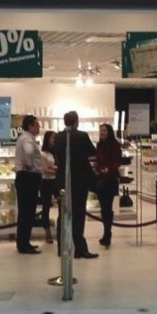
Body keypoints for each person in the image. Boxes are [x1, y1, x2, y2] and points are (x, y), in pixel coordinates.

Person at [54, 111, 98, 259]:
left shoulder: (58, 137)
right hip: (79, 181)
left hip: (62, 180)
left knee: (63, 215)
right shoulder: (82, 136)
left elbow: (57, 156)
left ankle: (62, 247)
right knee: (78, 215)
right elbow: (92, 152)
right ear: (76, 121)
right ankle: (80, 248)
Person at [14, 115, 42, 255]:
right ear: (30, 126)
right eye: (36, 125)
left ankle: (24, 242)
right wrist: (31, 163)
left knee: (26, 212)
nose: (39, 127)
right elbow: (29, 151)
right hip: (28, 177)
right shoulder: (27, 139)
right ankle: (23, 244)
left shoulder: (25, 138)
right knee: (27, 212)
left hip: (25, 177)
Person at [95, 123, 122, 249]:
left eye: (104, 130)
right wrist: (99, 169)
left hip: (111, 180)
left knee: (108, 208)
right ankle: (106, 232)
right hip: (101, 179)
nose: (102, 133)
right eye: (101, 131)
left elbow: (117, 161)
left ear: (109, 132)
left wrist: (109, 169)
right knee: (103, 208)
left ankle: (107, 233)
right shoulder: (99, 145)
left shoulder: (115, 145)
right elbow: (97, 161)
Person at [39, 131, 58, 244]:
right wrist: (57, 170)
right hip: (46, 182)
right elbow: (45, 170)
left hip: (55, 181)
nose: (54, 140)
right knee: (46, 206)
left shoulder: (55, 153)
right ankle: (47, 231)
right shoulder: (43, 154)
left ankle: (60, 228)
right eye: (52, 138)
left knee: (62, 203)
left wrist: (54, 169)